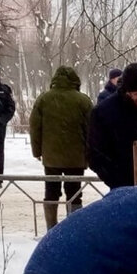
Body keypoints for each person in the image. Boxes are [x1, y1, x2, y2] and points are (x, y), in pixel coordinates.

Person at [29, 65, 93, 228]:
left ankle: (51, 228)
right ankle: (73, 227)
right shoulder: (83, 100)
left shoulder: (44, 99)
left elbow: (35, 127)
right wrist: (90, 153)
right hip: (75, 157)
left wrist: (37, 151)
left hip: (51, 158)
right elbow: (91, 129)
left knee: (51, 192)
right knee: (74, 194)